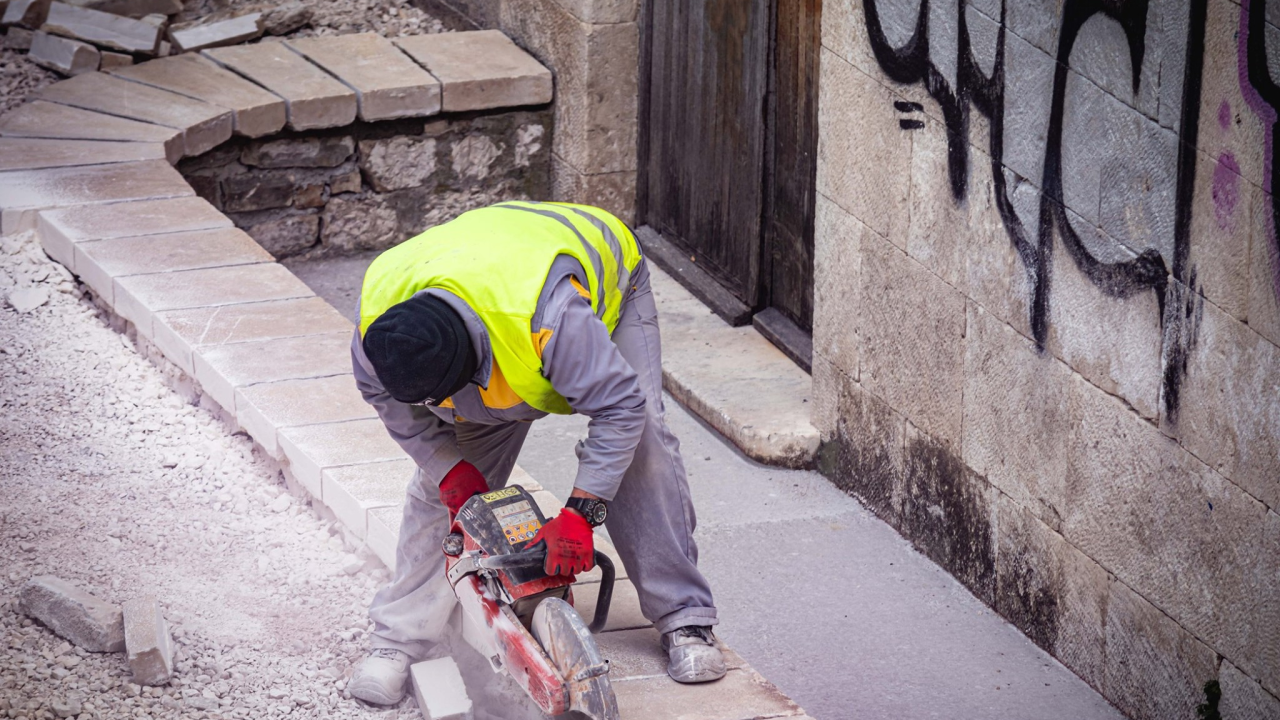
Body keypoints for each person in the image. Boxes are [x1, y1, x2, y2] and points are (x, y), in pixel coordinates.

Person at [345, 200, 725, 705]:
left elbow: (620, 408)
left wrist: (581, 514)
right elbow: (386, 402)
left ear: (473, 367)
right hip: (491, 284)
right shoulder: (379, 330)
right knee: (445, 492)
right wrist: (448, 468)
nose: (441, 408)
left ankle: (685, 618)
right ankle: (397, 639)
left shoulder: (550, 320)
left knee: (643, 442)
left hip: (594, 283)